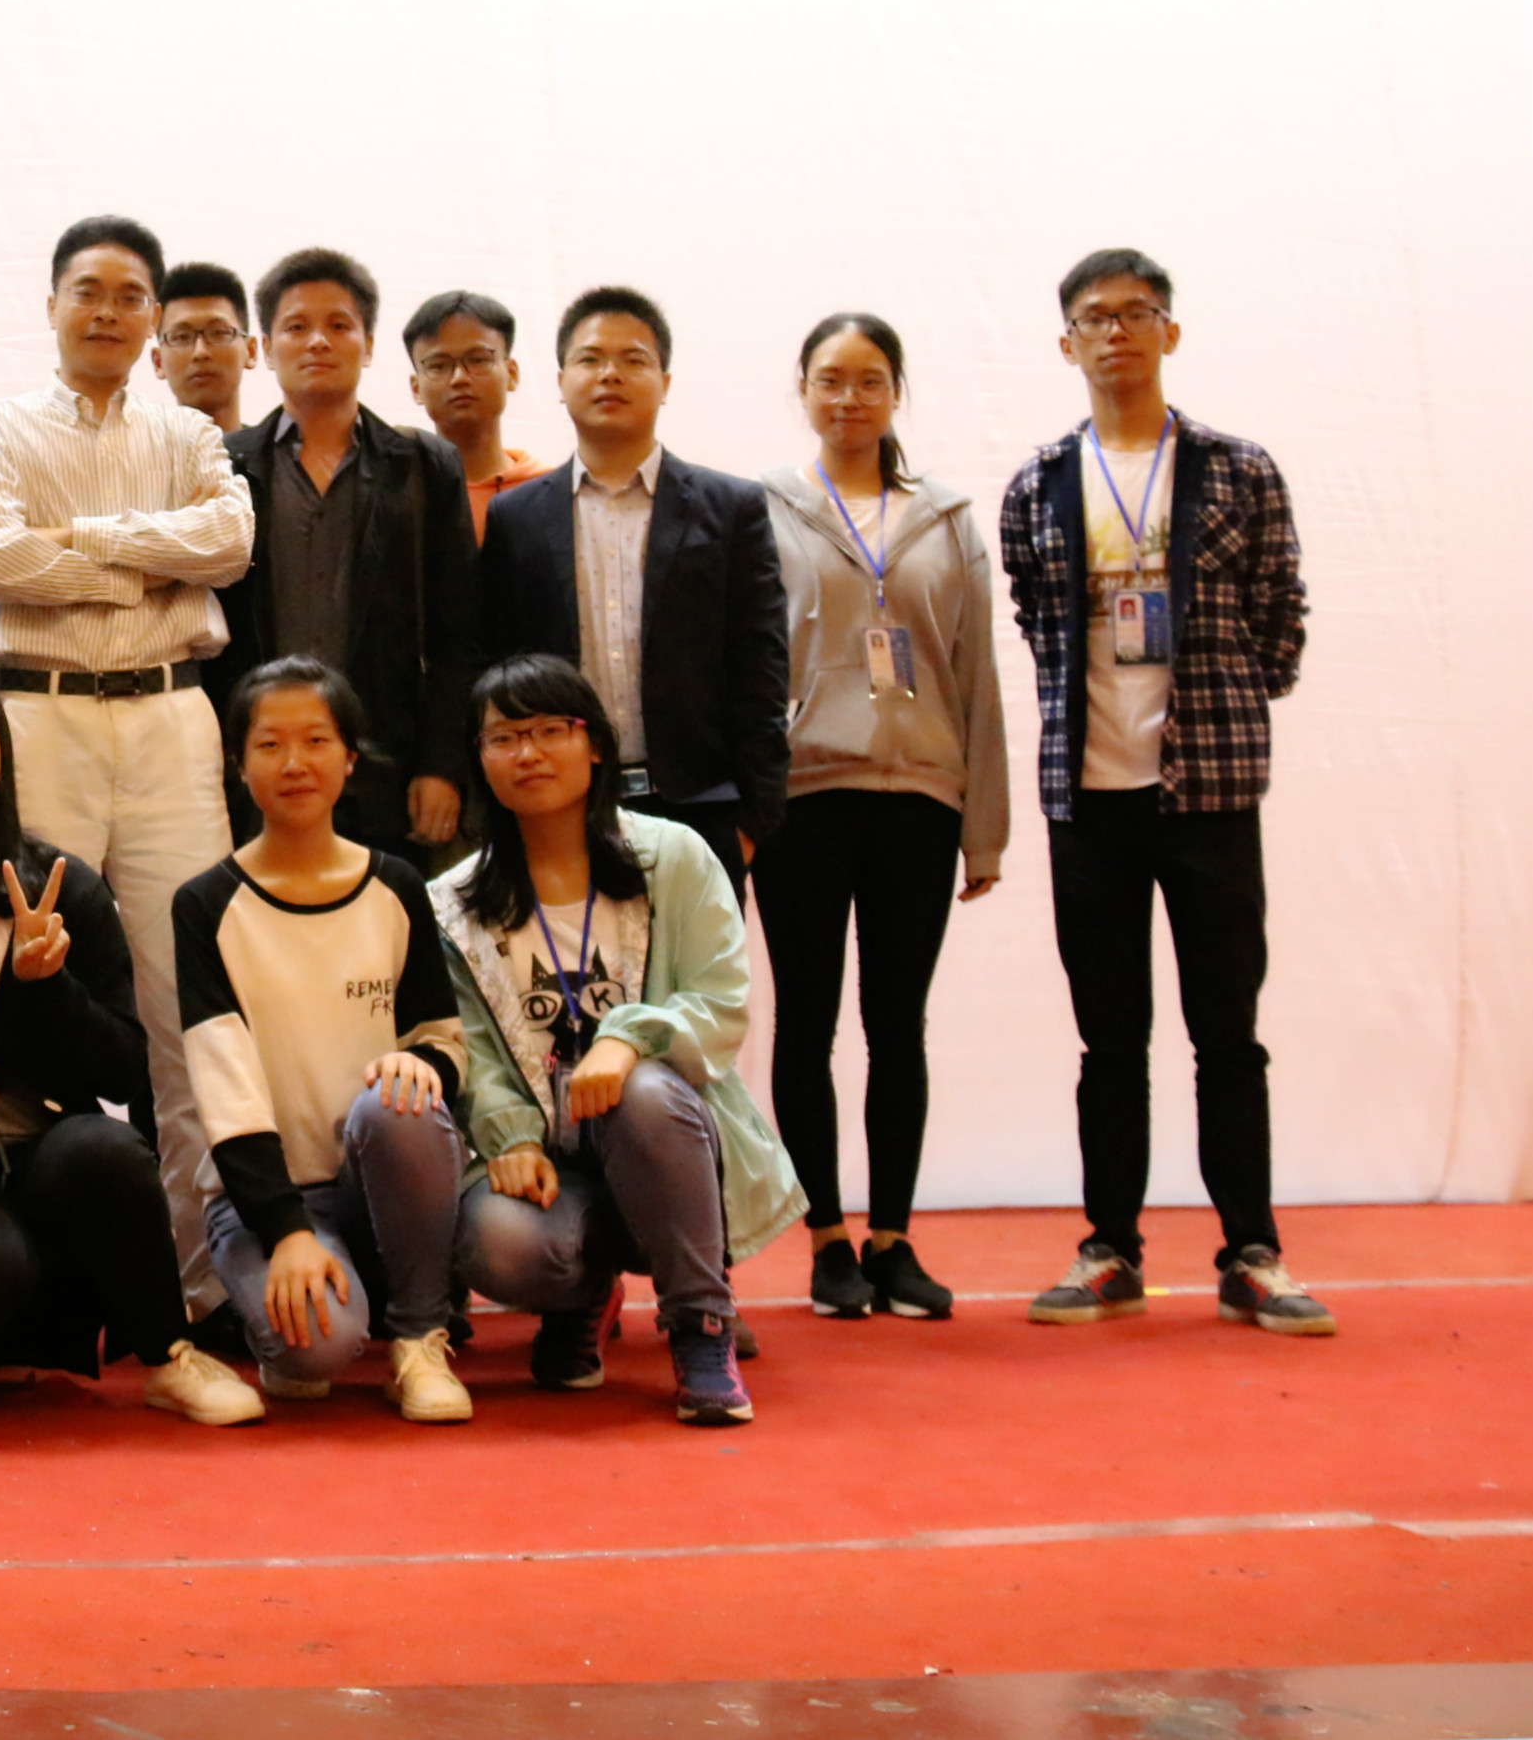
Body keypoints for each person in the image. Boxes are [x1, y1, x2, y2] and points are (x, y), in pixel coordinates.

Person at [1001, 250, 1325, 1335]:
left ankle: (1252, 1252)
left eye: (1135, 313)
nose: (1115, 332)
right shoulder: (1038, 482)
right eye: (1093, 317)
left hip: (1210, 788)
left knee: (1226, 1031)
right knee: (1109, 1039)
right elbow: (1036, 618)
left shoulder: (1237, 468)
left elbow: (1280, 612)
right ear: (1067, 343)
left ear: (1168, 332)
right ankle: (1110, 1249)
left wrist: (1224, 698)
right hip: (1089, 794)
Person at [0, 215, 254, 1323]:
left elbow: (229, 543)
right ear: (51, 304)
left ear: (154, 317)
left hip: (173, 719)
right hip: (41, 719)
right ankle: (15, 1281)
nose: (109, 311)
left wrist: (83, 539)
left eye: (131, 295)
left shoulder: (188, 429)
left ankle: (195, 1284)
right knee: (15, 983)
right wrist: (147, 559)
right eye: (89, 290)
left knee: (189, 1002)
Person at [0, 650, 260, 1424]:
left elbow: (123, 1069)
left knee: (108, 1151)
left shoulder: (63, 885)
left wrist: (47, 987)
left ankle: (167, 1354)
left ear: (0, 741)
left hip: (36, 1142)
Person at [434, 655, 805, 1427]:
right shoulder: (453, 902)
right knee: (502, 1246)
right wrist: (508, 1134)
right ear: (479, 756)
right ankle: (580, 1296)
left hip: (665, 1142)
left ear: (596, 743)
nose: (527, 753)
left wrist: (628, 1038)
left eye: (549, 730)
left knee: (641, 1090)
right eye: (503, 737)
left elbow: (720, 1003)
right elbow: (468, 1044)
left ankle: (700, 1323)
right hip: (550, 1157)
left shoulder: (673, 857)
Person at [756, 313, 1009, 1322]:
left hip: (920, 800)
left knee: (897, 1023)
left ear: (895, 390)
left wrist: (983, 824)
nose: (849, 397)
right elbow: (749, 662)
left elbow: (976, 674)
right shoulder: (765, 509)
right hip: (804, 797)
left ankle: (892, 1237)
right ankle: (825, 1238)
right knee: (805, 1021)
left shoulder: (944, 517)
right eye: (830, 378)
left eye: (869, 379)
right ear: (803, 389)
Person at [172, 660, 471, 1419]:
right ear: (239, 765)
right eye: (269, 744)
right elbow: (225, 1089)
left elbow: (444, 1043)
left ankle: (419, 1336)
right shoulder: (205, 904)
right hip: (263, 1200)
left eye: (315, 740)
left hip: (382, 1189)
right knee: (318, 1349)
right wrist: (287, 1231)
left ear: (350, 758)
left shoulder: (397, 885)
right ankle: (301, 1311)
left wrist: (420, 1064)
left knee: (396, 1101)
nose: (294, 763)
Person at [479, 287, 788, 902]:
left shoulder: (732, 508)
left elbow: (762, 668)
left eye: (634, 359)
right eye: (591, 359)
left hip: (700, 807)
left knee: (696, 969)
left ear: (665, 382)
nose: (610, 374)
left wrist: (753, 819)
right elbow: (498, 665)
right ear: (561, 381)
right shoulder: (516, 516)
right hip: (560, 808)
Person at [211, 248, 482, 860]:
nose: (318, 341)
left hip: (389, 770)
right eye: (296, 326)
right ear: (266, 346)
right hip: (254, 771)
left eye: (339, 325)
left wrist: (442, 765)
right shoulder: (223, 463)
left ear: (369, 344)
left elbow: (458, 635)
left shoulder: (423, 465)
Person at [402, 291, 558, 543]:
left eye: (477, 360)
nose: (459, 378)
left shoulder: (553, 492)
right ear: (416, 387)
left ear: (512, 374)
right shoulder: (395, 493)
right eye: (439, 365)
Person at [152, 261, 256, 435]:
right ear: (158, 362)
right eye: (182, 337)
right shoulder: (130, 452)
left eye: (218, 333)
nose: (200, 352)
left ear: (250, 351)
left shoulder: (284, 452)